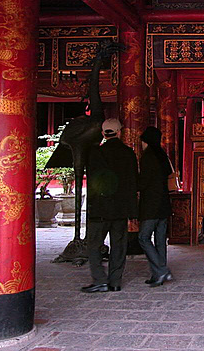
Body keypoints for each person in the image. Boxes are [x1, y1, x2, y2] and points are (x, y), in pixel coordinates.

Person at [81, 118, 138, 293]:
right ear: (119, 133)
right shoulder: (129, 153)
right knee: (119, 246)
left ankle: (99, 279)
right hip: (121, 209)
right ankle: (115, 282)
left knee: (93, 245)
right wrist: (132, 209)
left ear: (103, 133)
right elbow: (133, 182)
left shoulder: (97, 153)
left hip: (101, 208)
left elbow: (93, 182)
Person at [138, 126, 174, 287]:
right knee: (160, 240)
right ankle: (160, 272)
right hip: (163, 203)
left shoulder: (148, 157)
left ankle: (160, 271)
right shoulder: (162, 155)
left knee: (143, 237)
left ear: (146, 141)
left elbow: (143, 182)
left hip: (151, 204)